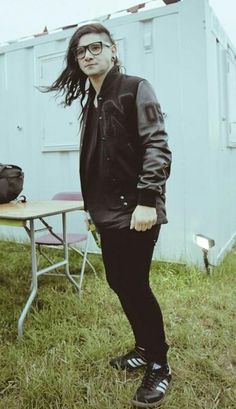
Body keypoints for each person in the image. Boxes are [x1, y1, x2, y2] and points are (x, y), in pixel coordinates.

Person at [44, 23, 172, 408]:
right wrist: (91, 210)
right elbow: (96, 163)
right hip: (106, 213)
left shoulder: (135, 87)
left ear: (113, 50)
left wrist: (148, 200)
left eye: (95, 47)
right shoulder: (92, 101)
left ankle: (160, 365)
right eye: (80, 51)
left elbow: (157, 145)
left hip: (137, 211)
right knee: (120, 282)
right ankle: (144, 347)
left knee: (135, 285)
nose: (87, 55)